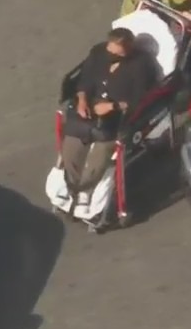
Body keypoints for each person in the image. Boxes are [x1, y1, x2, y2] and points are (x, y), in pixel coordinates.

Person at [61, 27, 155, 210]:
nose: (111, 55)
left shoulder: (141, 65)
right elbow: (85, 80)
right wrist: (82, 100)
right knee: (72, 145)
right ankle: (71, 183)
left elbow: (140, 98)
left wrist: (112, 106)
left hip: (117, 117)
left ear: (128, 49)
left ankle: (86, 189)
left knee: (101, 151)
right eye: (110, 50)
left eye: (117, 52)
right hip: (90, 107)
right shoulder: (98, 53)